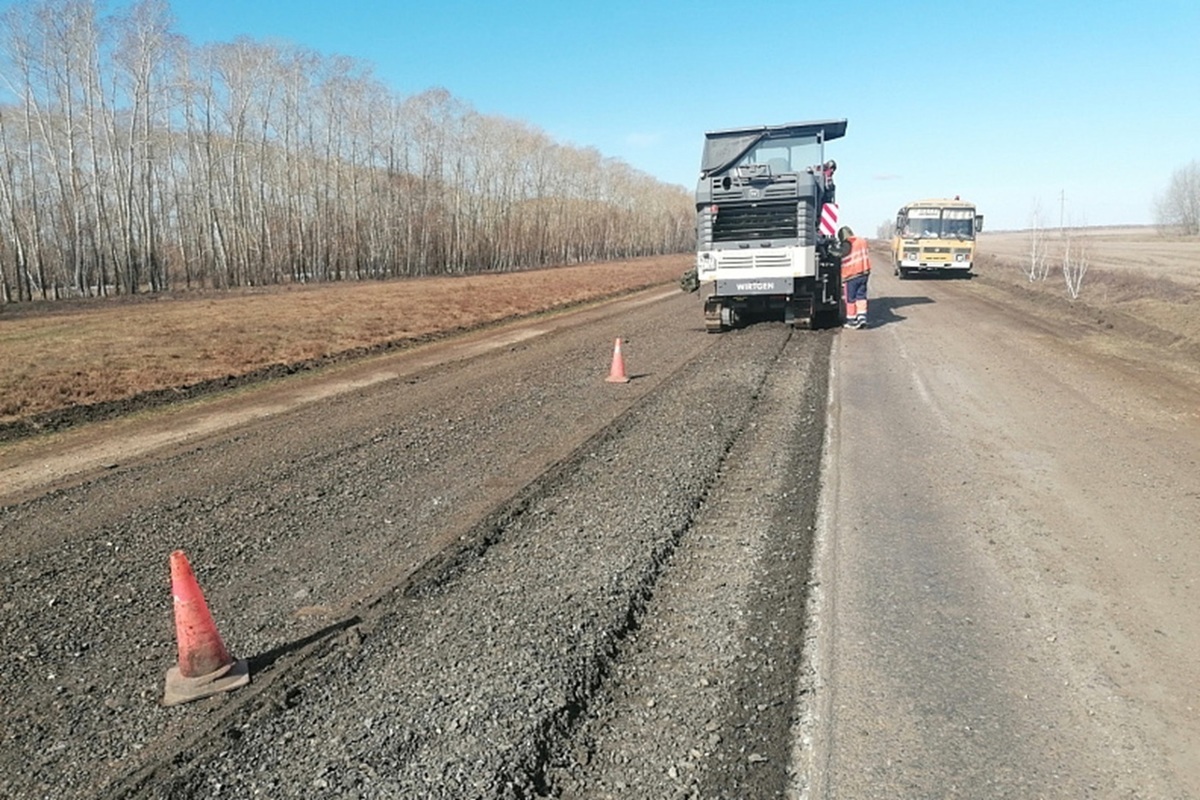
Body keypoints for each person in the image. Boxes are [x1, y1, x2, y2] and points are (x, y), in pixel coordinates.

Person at [838, 225, 871, 329]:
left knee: (850, 299)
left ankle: (851, 321)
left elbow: (839, 254)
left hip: (851, 276)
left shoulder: (848, 243)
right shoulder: (862, 241)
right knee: (861, 297)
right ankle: (862, 318)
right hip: (864, 273)